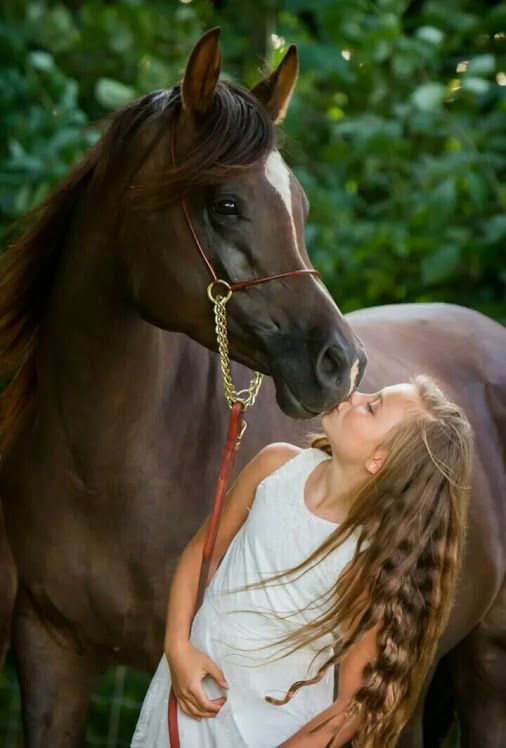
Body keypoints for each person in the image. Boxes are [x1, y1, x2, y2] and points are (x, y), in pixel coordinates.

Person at [131, 373, 473, 748]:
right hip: (185, 701)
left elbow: (352, 706)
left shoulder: (370, 560)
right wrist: (178, 646)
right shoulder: (275, 465)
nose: (354, 395)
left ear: (379, 459)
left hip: (265, 735)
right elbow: (202, 554)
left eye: (372, 407)